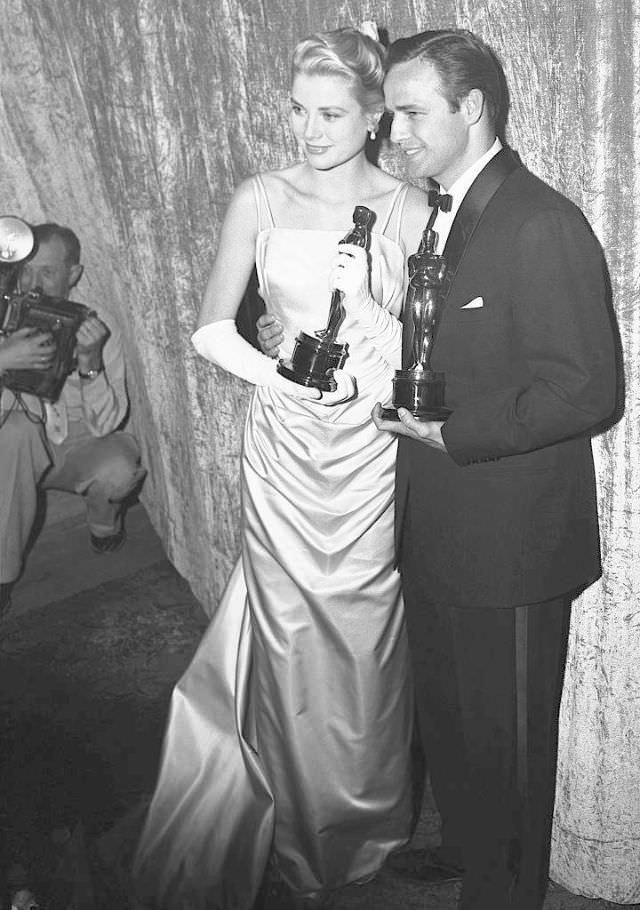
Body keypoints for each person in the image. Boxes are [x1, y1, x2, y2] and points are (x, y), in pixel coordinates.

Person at [133, 26, 428, 910]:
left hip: (372, 449)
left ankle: (368, 821)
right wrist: (283, 379)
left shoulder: (413, 206)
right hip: (286, 446)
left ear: (375, 115)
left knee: (368, 634)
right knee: (293, 630)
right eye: (298, 110)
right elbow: (212, 327)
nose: (307, 129)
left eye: (329, 113)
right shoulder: (260, 195)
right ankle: (296, 824)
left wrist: (368, 347)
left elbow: (423, 347)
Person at [365, 28, 616, 910]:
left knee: (505, 736)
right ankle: (473, 850)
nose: (389, 130)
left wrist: (454, 434)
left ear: (473, 109)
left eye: (409, 111)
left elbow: (588, 390)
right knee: (453, 718)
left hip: (509, 542)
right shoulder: (441, 207)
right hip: (438, 524)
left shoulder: (541, 221)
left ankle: (504, 892)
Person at [0, 223, 145, 618]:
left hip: (76, 448)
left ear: (73, 275)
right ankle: (2, 580)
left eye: (47, 272)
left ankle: (103, 526)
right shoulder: (3, 314)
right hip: (14, 459)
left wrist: (90, 362)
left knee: (119, 465)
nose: (33, 283)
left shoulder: (95, 325)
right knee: (14, 434)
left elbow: (107, 425)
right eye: (25, 271)